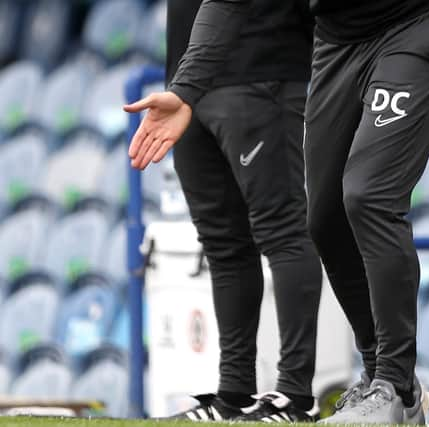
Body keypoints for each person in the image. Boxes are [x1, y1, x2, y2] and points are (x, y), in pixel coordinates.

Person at [125, 0, 429, 423]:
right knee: (324, 219)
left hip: (413, 24)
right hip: (336, 40)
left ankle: (395, 384)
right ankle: (379, 380)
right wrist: (186, 89)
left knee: (367, 195)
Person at [125, 0, 323, 422]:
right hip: (185, 87)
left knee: (282, 231)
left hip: (262, 69)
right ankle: (234, 394)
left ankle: (295, 396)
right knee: (222, 242)